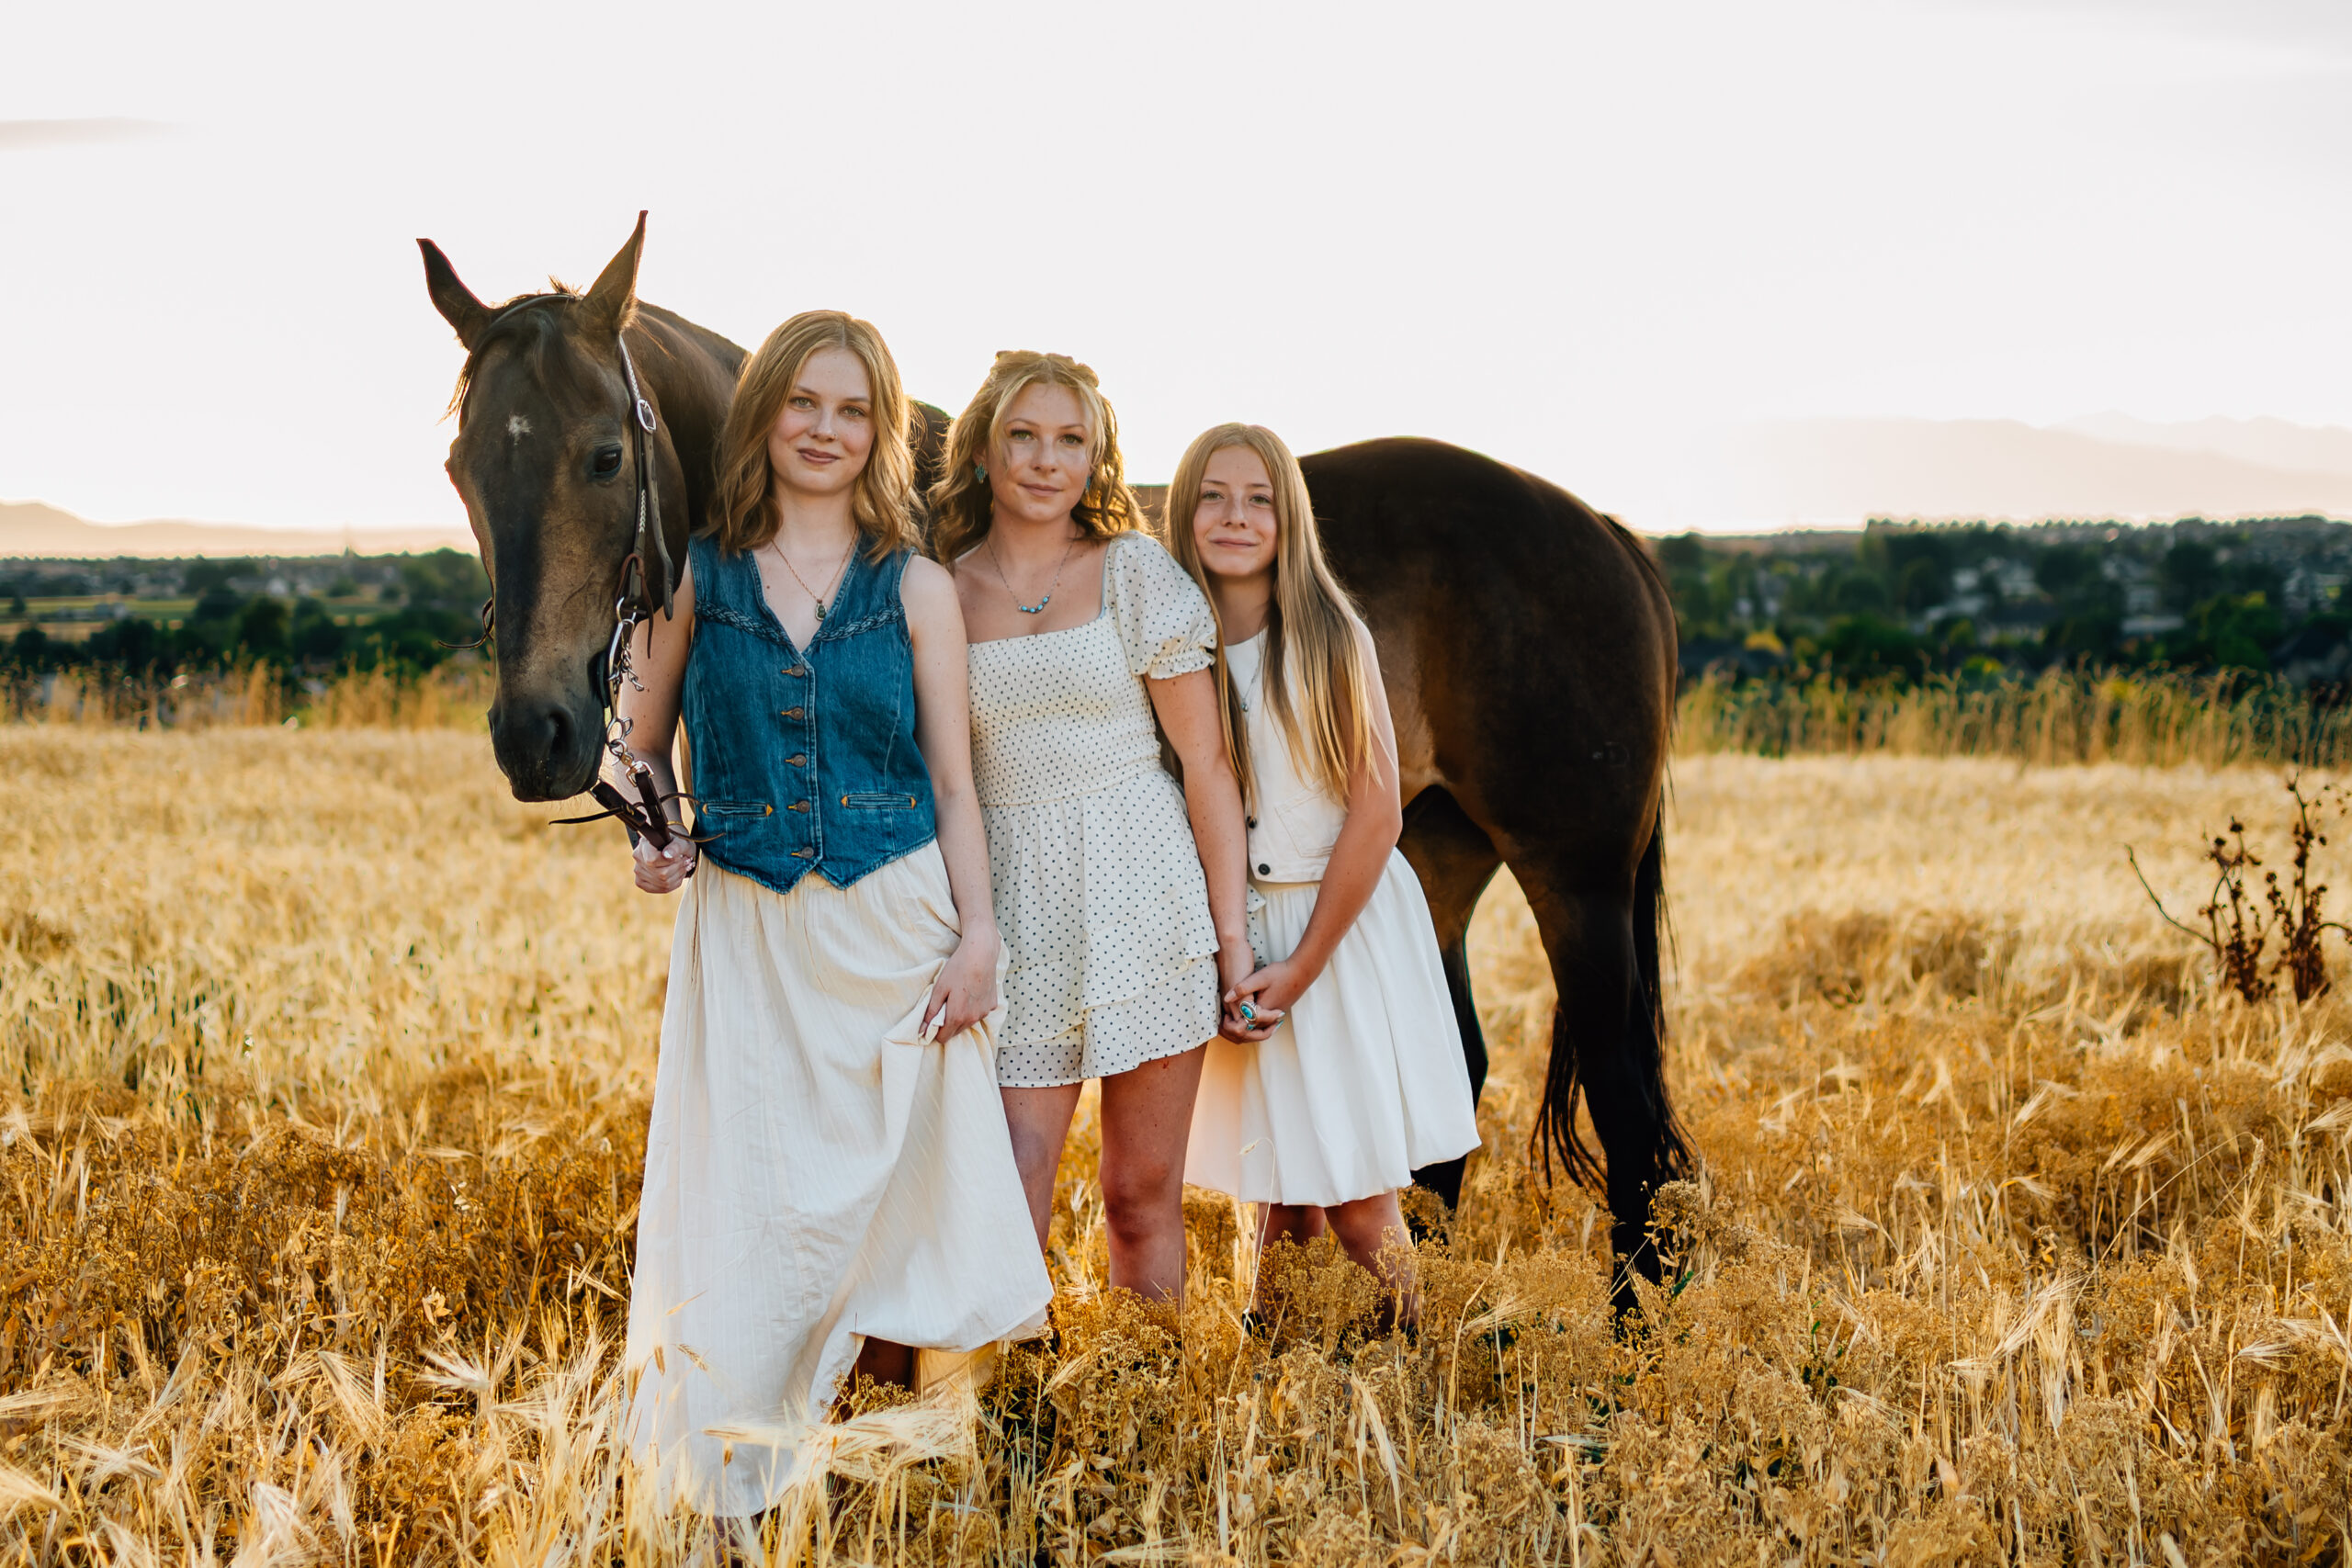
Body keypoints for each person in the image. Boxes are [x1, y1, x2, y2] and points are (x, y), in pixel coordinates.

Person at [617, 311, 1049, 1516]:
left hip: (897, 931)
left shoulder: (914, 585)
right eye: (804, 403)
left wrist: (979, 939)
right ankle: (736, 1478)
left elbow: (955, 782)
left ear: (879, 431)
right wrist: (654, 839)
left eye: (852, 409)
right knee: (756, 1210)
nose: (826, 428)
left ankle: (898, 1476)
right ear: (765, 416)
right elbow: (641, 754)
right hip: (753, 940)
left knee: (902, 1216)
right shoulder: (696, 572)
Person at [933, 352, 1253, 1309]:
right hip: (1015, 912)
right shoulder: (939, 592)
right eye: (1023, 436)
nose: (1045, 460)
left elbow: (1207, 768)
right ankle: (1004, 1402)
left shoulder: (1134, 573)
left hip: (1144, 900)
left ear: (1095, 458)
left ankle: (1141, 1416)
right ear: (983, 454)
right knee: (1011, 1171)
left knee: (1137, 1191)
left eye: (1070, 440)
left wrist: (1231, 943)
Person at [1170, 423, 1480, 1323]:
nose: (1234, 516)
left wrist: (1300, 965)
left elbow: (1377, 812)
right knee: (1277, 1182)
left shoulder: (1326, 632)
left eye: (1258, 499)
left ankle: (1411, 1369)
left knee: (1350, 1189)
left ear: (1288, 518)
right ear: (1184, 511)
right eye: (1214, 497)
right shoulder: (1178, 641)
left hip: (1330, 929)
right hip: (1242, 926)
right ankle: (1277, 1385)